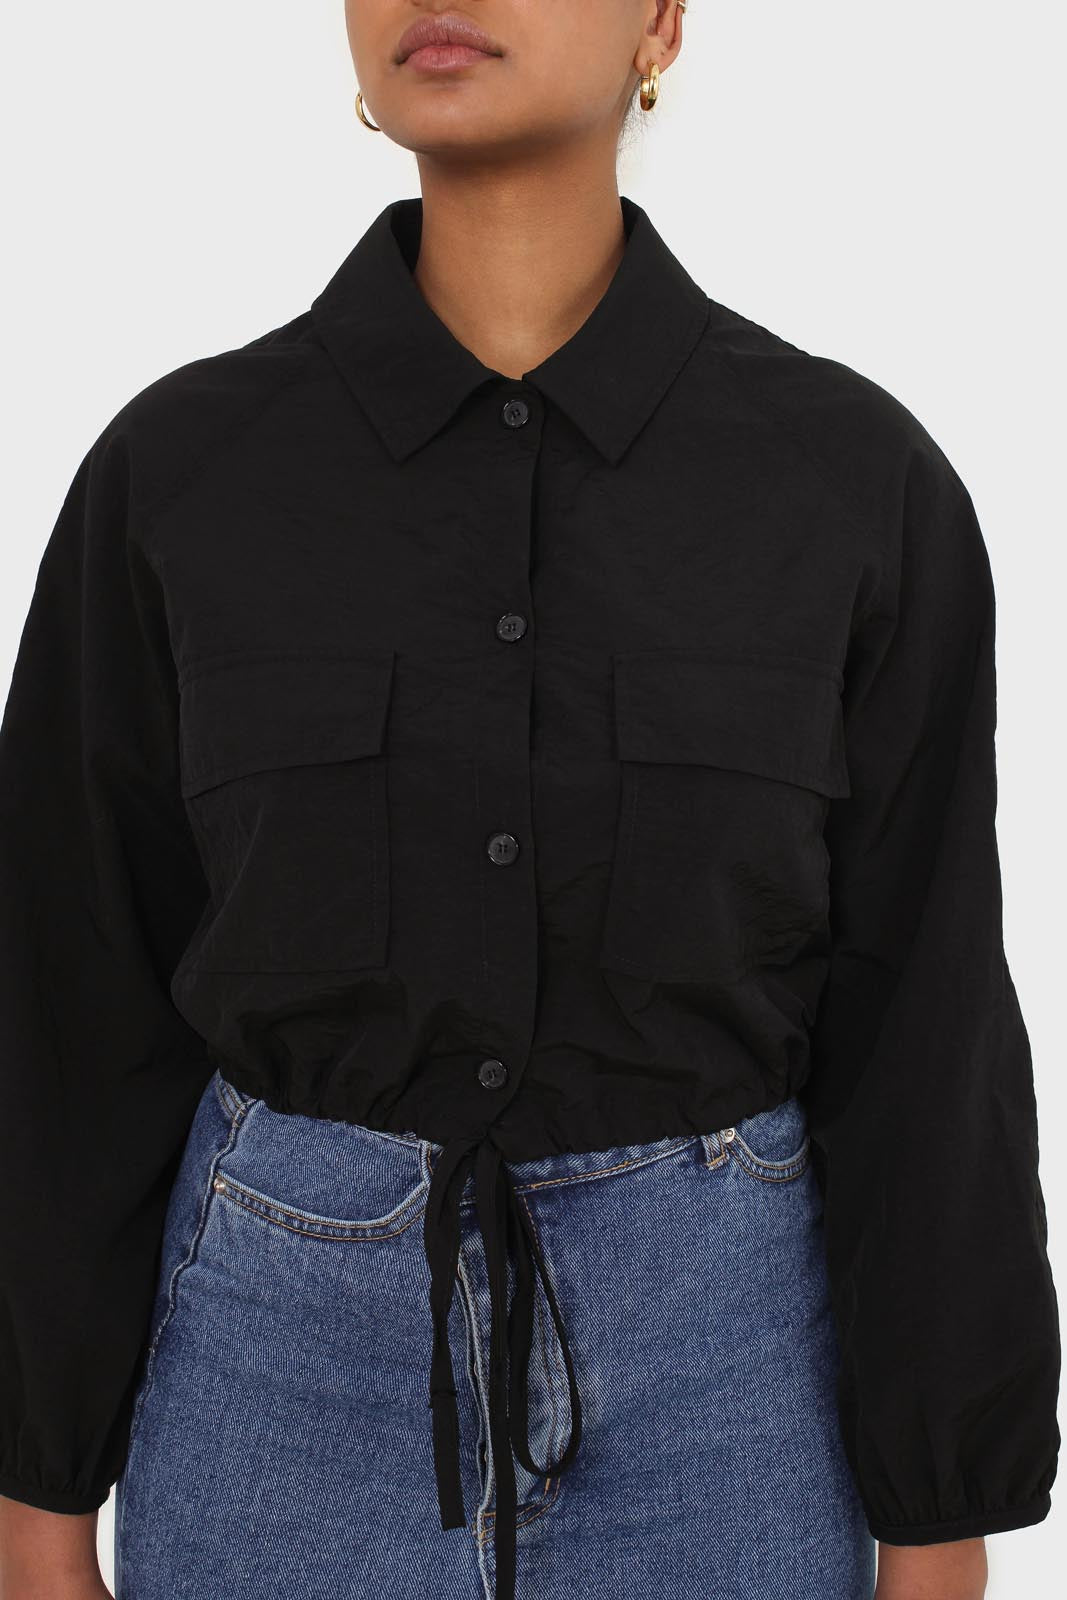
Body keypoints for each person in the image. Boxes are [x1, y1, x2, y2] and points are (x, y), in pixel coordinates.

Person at [0, 3, 1059, 1598]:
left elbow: (927, 1024)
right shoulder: (178, 478)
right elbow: (65, 1012)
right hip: (272, 1397)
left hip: (734, 1406)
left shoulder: (851, 487)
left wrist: (939, 1519)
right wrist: (32, 1502)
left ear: (661, 21)